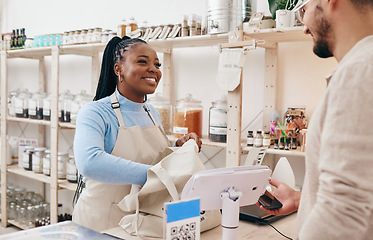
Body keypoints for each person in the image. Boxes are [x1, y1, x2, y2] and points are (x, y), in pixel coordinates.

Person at [258, 0, 373, 239]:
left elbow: (343, 216)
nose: (304, 27)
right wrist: (303, 199)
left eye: (303, 10)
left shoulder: (360, 72)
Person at [72, 36, 202, 232]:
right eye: (143, 62)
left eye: (157, 65)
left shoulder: (153, 113)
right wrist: (157, 176)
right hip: (101, 222)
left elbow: (152, 157)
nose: (154, 69)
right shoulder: (95, 112)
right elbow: (89, 163)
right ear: (118, 69)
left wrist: (177, 149)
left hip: (142, 221)